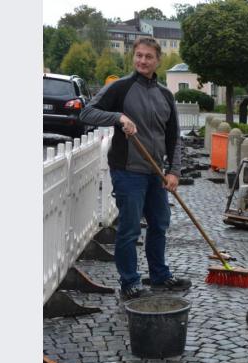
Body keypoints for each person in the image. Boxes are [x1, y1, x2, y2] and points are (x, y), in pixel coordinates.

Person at [80, 36, 191, 301]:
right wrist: (118, 117)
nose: (142, 60)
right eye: (138, 55)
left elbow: (174, 137)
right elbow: (86, 113)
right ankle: (129, 282)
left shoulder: (165, 94)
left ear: (158, 60)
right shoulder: (121, 88)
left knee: (159, 223)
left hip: (155, 172)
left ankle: (159, 276)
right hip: (127, 170)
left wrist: (173, 171)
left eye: (148, 57)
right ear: (134, 57)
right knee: (129, 228)